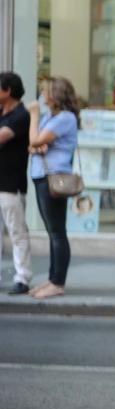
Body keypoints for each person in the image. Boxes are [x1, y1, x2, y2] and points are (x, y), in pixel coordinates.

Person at [27, 76, 80, 299]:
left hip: (54, 178)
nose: (42, 95)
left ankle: (58, 282)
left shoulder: (65, 118)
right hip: (42, 175)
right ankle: (51, 278)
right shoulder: (53, 117)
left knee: (57, 232)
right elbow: (32, 145)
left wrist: (34, 115)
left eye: (45, 91)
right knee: (52, 231)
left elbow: (36, 140)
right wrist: (37, 142)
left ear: (55, 95)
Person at [0, 71, 33, 295]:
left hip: (11, 184)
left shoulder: (21, 116)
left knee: (16, 232)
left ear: (8, 91)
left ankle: (23, 277)